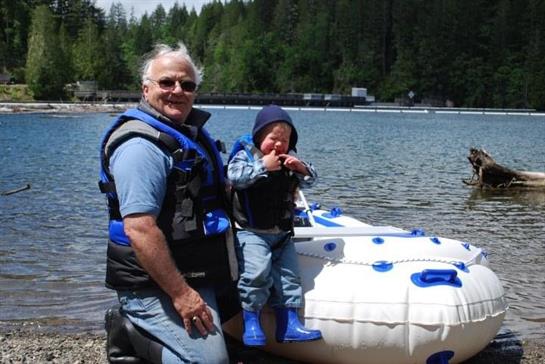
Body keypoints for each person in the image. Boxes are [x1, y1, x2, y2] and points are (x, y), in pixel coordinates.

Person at [99, 42, 238, 363]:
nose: (178, 90)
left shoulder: (187, 135)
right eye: (167, 82)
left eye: (187, 85)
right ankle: (129, 334)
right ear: (145, 89)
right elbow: (140, 229)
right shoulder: (141, 148)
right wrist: (182, 295)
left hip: (196, 270)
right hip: (153, 283)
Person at [227, 105, 322, 346]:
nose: (279, 145)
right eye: (273, 139)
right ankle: (251, 323)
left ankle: (289, 324)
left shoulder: (290, 161)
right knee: (256, 274)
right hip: (251, 232)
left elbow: (312, 180)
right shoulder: (246, 157)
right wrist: (263, 166)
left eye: (285, 140)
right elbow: (234, 177)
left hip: (282, 234)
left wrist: (300, 168)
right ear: (259, 137)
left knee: (290, 277)